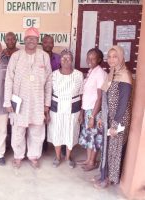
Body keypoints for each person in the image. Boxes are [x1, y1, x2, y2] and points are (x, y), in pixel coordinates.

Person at [3, 27, 52, 169]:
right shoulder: (16, 56)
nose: (31, 41)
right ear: (24, 40)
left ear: (38, 41)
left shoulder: (44, 56)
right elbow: (9, 79)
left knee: (36, 129)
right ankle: (18, 156)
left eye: (34, 39)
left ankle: (33, 155)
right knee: (18, 130)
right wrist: (7, 101)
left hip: (38, 101)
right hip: (19, 101)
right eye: (28, 38)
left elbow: (49, 81)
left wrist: (47, 104)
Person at [93, 46, 132, 189]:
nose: (111, 59)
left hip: (119, 120)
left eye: (115, 56)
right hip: (109, 117)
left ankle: (109, 178)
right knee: (106, 148)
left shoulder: (125, 76)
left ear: (121, 57)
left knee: (114, 150)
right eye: (109, 56)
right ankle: (104, 174)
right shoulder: (111, 74)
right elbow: (106, 98)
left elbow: (122, 104)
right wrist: (101, 117)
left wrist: (115, 125)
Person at [47, 49, 84, 169]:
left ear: (72, 60)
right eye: (63, 58)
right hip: (56, 107)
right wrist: (46, 112)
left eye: (68, 58)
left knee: (70, 132)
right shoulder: (53, 75)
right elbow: (48, 94)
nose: (66, 60)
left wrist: (82, 113)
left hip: (73, 108)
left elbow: (82, 94)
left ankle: (68, 157)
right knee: (57, 132)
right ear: (60, 60)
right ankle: (57, 157)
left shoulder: (78, 75)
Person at [78, 48, 107, 171]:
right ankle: (88, 160)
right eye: (88, 57)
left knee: (94, 137)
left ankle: (92, 162)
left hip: (94, 111)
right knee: (89, 136)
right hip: (88, 109)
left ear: (99, 59)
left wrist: (92, 116)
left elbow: (100, 98)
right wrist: (82, 112)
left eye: (93, 58)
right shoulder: (91, 71)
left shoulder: (100, 73)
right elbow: (87, 94)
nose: (89, 60)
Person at [41, 34, 61, 152]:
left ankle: (57, 145)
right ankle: (43, 145)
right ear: (42, 44)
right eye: (46, 42)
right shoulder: (38, 57)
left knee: (56, 119)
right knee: (42, 118)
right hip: (41, 93)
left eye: (50, 42)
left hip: (57, 94)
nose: (48, 44)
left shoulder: (58, 58)